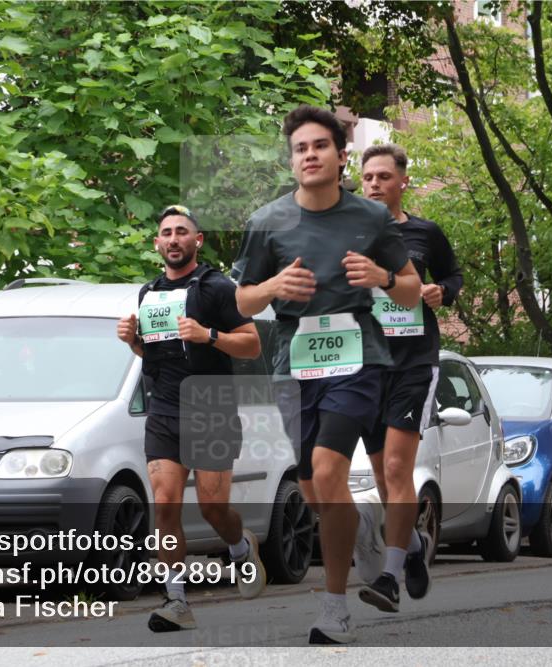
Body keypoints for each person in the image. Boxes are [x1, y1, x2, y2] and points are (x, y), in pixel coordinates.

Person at [233, 106, 420, 644]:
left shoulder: (371, 219)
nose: (309, 155)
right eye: (300, 148)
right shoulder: (267, 222)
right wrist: (273, 289)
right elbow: (242, 302)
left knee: (328, 468)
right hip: (294, 362)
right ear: (291, 160)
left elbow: (410, 291)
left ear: (341, 156)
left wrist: (383, 275)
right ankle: (359, 526)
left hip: (357, 357)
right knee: (315, 491)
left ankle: (334, 607)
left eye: (320, 146)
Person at [116, 205, 266, 633]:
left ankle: (239, 547)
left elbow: (252, 345)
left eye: (183, 232)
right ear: (157, 244)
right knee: (164, 504)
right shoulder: (150, 294)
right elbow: (156, 353)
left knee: (213, 508)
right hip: (163, 409)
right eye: (166, 233)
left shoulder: (218, 287)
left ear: (197, 240)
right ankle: (175, 599)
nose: (174, 239)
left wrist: (209, 335)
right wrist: (132, 343)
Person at [357, 143, 464, 611]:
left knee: (400, 470)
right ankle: (414, 546)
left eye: (384, 176)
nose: (375, 184)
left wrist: (444, 290)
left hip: (414, 362)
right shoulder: (348, 235)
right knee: (383, 478)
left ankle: (389, 576)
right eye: (368, 178)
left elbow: (453, 275)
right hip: (365, 365)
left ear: (403, 181)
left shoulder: (424, 232)